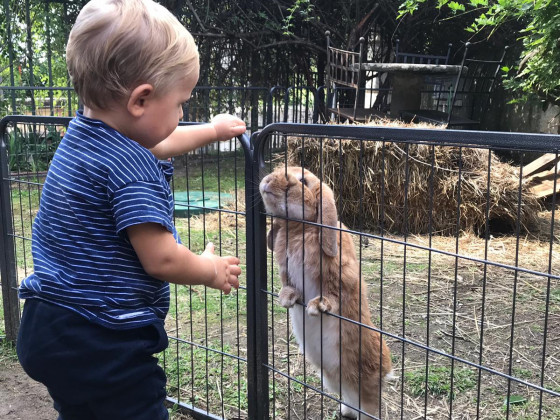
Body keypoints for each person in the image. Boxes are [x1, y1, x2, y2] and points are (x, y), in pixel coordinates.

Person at [16, 0, 245, 419]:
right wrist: (209, 269)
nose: (181, 115)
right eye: (180, 104)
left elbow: (158, 141)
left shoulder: (85, 135)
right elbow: (161, 259)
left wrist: (211, 131)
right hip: (101, 338)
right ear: (140, 100)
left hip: (48, 325)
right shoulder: (132, 167)